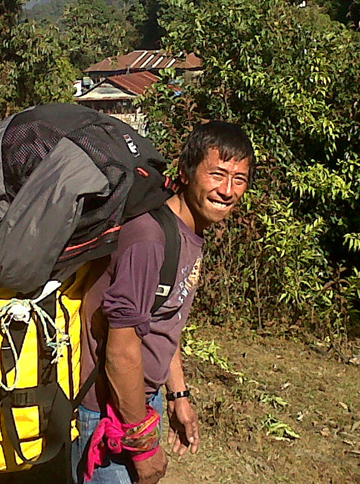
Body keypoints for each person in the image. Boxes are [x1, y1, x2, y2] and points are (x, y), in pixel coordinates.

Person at [71, 121, 255, 484]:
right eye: (217, 175)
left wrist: (178, 394)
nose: (228, 190)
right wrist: (143, 446)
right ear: (186, 172)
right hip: (110, 412)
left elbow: (163, 318)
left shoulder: (187, 232)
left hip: (142, 399)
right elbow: (120, 352)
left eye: (240, 179)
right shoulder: (149, 239)